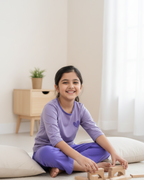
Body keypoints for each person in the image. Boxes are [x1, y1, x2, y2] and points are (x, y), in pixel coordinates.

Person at [32, 65, 128, 178]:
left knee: (104, 149)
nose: (71, 86)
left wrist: (113, 152)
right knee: (46, 153)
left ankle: (62, 167)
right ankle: (83, 167)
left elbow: (95, 132)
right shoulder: (50, 108)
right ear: (57, 87)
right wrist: (80, 159)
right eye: (65, 82)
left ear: (80, 87)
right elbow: (56, 141)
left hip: (69, 149)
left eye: (75, 82)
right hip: (47, 148)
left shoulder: (80, 109)